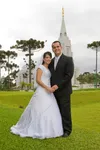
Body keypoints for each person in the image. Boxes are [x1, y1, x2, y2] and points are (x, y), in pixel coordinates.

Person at [10, 51, 63, 139]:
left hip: (49, 91)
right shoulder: (40, 67)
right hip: (42, 90)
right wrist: (47, 88)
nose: (48, 59)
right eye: (46, 57)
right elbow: (38, 80)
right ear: (43, 59)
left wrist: (52, 88)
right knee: (39, 109)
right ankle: (36, 129)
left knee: (50, 109)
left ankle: (50, 130)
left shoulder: (49, 68)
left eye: (49, 57)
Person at [49, 41, 74, 137]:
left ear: (61, 47)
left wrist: (58, 85)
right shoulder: (50, 62)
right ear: (52, 49)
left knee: (65, 111)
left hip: (64, 91)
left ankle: (67, 130)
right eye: (54, 47)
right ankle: (58, 129)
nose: (56, 49)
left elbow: (69, 75)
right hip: (53, 92)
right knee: (56, 111)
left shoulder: (68, 59)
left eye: (57, 46)